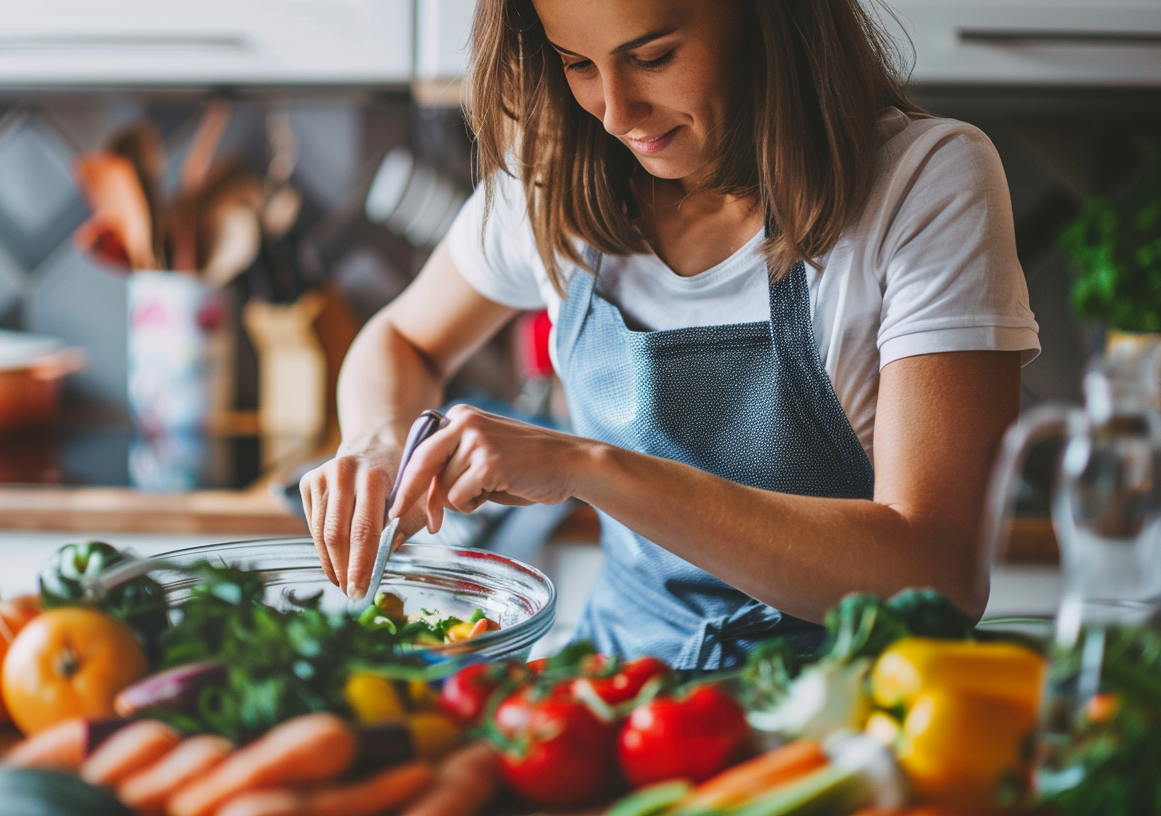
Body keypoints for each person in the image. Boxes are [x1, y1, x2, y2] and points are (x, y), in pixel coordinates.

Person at [301, 0, 1039, 670]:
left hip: (857, 718)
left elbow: (937, 573)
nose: (617, 112)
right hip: (618, 696)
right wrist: (375, 441)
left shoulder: (924, 182)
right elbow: (402, 339)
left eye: (652, 57)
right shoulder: (551, 180)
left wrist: (589, 467)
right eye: (578, 64)